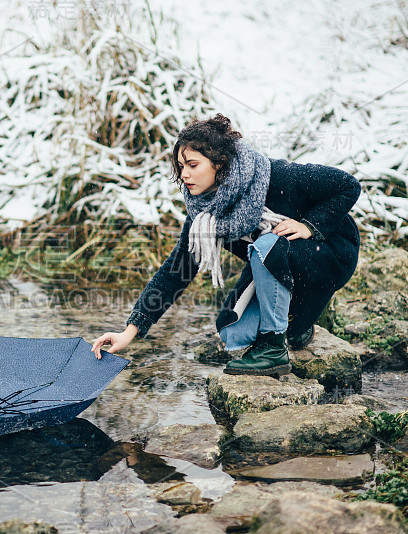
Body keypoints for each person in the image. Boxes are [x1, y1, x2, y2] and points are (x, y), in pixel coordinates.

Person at [91, 114, 361, 376]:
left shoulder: (275, 176)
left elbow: (347, 185)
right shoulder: (205, 217)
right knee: (232, 331)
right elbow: (175, 273)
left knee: (267, 245)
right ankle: (297, 323)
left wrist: (309, 226)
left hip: (330, 252)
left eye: (193, 165)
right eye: (181, 166)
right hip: (277, 261)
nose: (184, 174)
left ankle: (273, 348)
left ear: (219, 164)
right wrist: (130, 331)